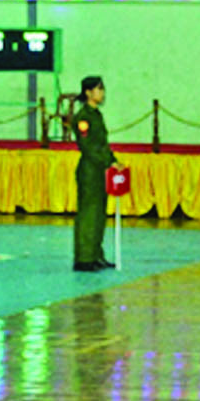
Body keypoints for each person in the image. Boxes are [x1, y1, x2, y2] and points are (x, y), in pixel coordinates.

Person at [72, 76, 118, 272]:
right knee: (88, 215)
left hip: (100, 170)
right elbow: (88, 146)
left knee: (99, 214)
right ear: (88, 92)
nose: (102, 93)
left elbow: (103, 144)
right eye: (99, 89)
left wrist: (113, 161)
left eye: (102, 89)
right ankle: (84, 258)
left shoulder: (96, 115)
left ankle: (96, 255)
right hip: (90, 170)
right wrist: (108, 161)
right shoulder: (83, 117)